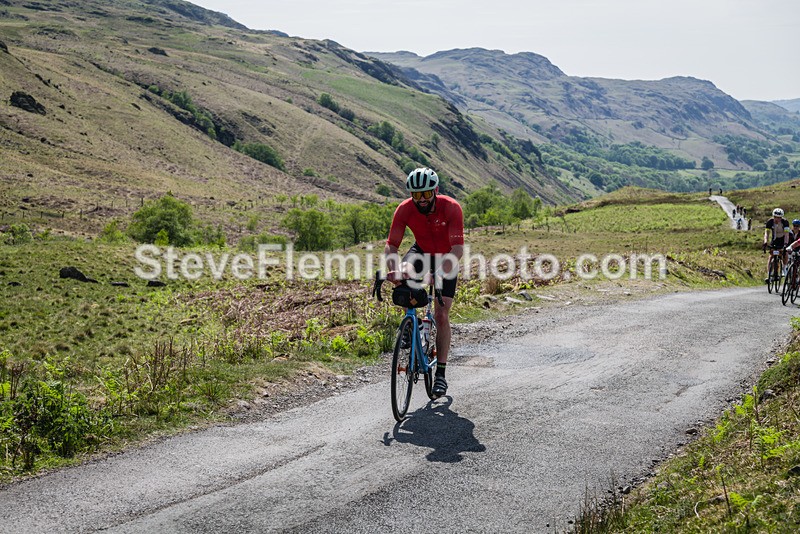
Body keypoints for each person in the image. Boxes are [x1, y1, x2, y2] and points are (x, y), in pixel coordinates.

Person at [385, 167, 464, 398]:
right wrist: (394, 271)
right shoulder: (404, 209)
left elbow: (458, 249)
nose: (421, 200)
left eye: (426, 194)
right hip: (420, 252)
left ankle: (440, 374)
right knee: (404, 274)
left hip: (447, 257)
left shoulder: (451, 207)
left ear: (435, 191)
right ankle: (412, 324)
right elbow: (392, 245)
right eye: (416, 195)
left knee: (441, 315)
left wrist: (439, 273)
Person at [763, 208, 791, 279]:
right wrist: (765, 241)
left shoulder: (785, 222)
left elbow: (786, 234)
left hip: (783, 238)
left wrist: (785, 244)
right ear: (773, 216)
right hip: (775, 239)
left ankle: (784, 268)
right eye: (775, 217)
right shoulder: (770, 222)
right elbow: (767, 233)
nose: (777, 219)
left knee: (784, 253)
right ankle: (769, 274)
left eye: (779, 218)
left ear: (781, 217)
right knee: (771, 255)